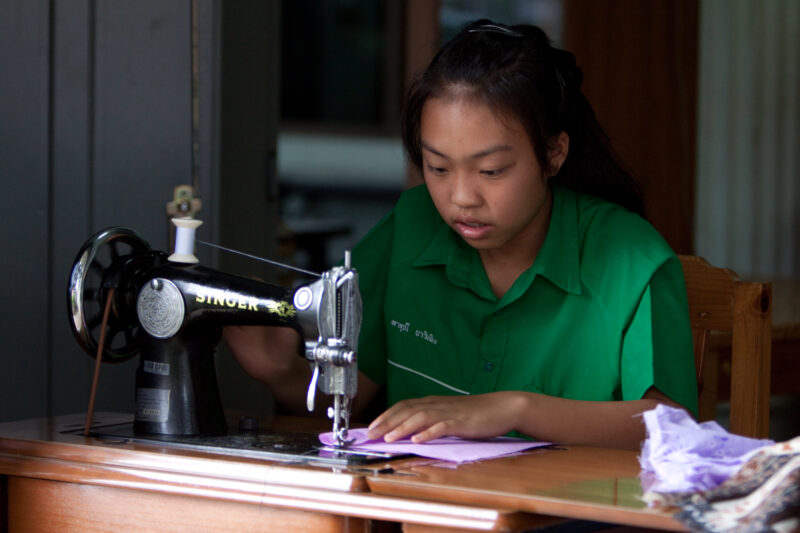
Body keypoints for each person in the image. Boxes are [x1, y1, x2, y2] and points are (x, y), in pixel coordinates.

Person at [225, 19, 698, 450]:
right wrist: (280, 372)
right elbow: (346, 404)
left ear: (554, 153)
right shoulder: (412, 226)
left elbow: (672, 427)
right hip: (426, 502)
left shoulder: (633, 260)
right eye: (438, 167)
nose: (461, 198)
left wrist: (513, 409)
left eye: (491, 171)